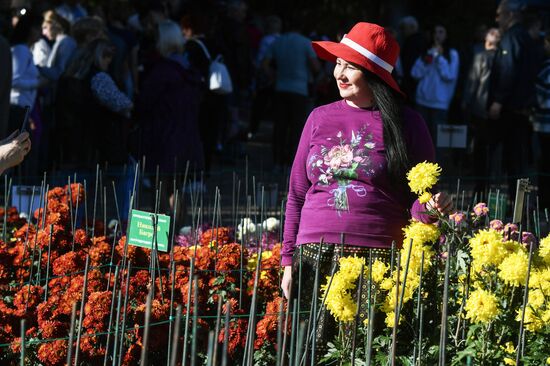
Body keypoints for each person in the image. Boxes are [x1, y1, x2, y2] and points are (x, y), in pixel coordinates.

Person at [279, 22, 452, 362]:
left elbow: (417, 202)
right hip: (315, 256)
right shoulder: (318, 117)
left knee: (366, 354)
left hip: (376, 262)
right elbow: (297, 193)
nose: (339, 73)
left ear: (374, 75)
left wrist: (432, 206)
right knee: (312, 355)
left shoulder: (408, 124)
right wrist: (288, 261)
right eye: (338, 63)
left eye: (351, 67)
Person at [488, 0, 542, 199]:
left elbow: (508, 71)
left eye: (499, 14)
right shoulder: (527, 38)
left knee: (508, 161)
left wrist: (498, 100)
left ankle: (511, 206)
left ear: (510, 15)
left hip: (510, 109)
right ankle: (519, 205)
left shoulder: (512, 37)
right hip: (523, 108)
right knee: (519, 161)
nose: (497, 19)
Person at [135, 20, 204, 175]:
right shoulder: (187, 68)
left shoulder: (163, 70)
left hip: (163, 134)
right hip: (185, 133)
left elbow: (146, 101)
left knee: (160, 185)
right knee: (175, 184)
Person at [56, 38, 133, 167]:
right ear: (98, 56)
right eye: (106, 56)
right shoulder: (99, 77)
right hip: (96, 139)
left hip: (72, 137)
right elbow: (121, 103)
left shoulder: (71, 75)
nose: (109, 61)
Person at [262, 16, 321, 171]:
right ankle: (291, 162)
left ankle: (277, 161)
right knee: (296, 127)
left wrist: (274, 76)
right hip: (299, 89)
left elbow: (265, 64)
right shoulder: (305, 43)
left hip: (280, 87)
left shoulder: (278, 41)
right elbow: (315, 67)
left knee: (279, 126)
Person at [462, 28, 501, 193]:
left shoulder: (480, 56)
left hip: (479, 109)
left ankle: (479, 190)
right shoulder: (503, 58)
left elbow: (472, 83)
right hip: (497, 110)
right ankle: (493, 188)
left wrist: (466, 103)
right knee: (493, 151)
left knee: (479, 151)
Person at [411, 23, 459, 142]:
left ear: (447, 35)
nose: (437, 35)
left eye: (441, 32)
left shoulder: (452, 54)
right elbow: (415, 73)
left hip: (440, 104)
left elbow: (449, 76)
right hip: (422, 101)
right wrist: (429, 58)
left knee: (439, 141)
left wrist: (440, 58)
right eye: (435, 32)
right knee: (422, 139)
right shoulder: (427, 52)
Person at [531, 33, 550, 210]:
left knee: (544, 164)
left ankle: (544, 203)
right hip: (544, 123)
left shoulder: (545, 68)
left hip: (544, 123)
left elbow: (540, 95)